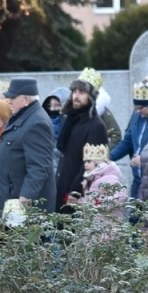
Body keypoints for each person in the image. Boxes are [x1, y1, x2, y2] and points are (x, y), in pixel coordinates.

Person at [0, 78, 58, 217]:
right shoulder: (21, 116)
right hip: (9, 199)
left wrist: (24, 201)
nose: (9, 100)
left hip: (23, 208)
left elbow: (39, 168)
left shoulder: (37, 122)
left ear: (26, 99)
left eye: (13, 97)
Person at [55, 69, 112, 211]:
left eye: (81, 92)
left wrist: (75, 191)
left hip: (78, 195)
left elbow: (93, 165)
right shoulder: (71, 120)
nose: (76, 96)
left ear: (91, 97)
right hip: (62, 187)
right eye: (74, 91)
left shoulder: (96, 126)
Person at [109, 77, 148, 199]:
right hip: (138, 179)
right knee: (134, 217)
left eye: (141, 108)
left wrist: (145, 157)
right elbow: (127, 142)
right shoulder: (136, 116)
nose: (138, 111)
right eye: (136, 107)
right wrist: (108, 158)